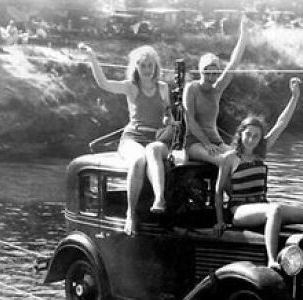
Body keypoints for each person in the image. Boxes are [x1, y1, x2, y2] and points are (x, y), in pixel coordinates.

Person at [213, 78, 303, 267]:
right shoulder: (229, 158)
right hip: (238, 211)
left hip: (261, 205)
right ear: (241, 134)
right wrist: (220, 221)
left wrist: (295, 97)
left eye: (256, 136)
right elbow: (218, 191)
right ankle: (272, 260)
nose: (252, 139)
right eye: (248, 134)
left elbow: (281, 123)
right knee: (275, 209)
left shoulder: (260, 153)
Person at [80, 43, 175, 236]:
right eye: (143, 66)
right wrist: (92, 57)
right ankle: (130, 213)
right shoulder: (131, 87)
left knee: (152, 151)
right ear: (136, 67)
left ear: (155, 67)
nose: (147, 70)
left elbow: (170, 118)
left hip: (156, 139)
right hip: (132, 138)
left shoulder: (163, 88)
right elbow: (104, 83)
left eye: (150, 65)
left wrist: (167, 124)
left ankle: (159, 199)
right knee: (139, 159)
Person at [183, 16, 251, 166]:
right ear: (201, 71)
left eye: (215, 73)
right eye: (208, 72)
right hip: (195, 143)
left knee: (242, 160)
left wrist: (244, 35)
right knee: (224, 161)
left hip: (217, 143)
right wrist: (207, 144)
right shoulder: (192, 88)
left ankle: (238, 189)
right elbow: (190, 120)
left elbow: (233, 63)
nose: (211, 76)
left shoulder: (217, 89)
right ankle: (220, 190)